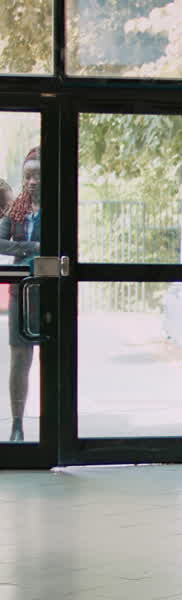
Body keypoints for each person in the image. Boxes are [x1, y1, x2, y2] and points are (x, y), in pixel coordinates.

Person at [0, 148, 41, 442]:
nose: (32, 181)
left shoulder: (61, 206)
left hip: (51, 289)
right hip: (21, 290)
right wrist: (31, 248)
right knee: (19, 357)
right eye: (27, 175)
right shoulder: (16, 209)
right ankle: (17, 424)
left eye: (38, 175)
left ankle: (56, 424)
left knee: (53, 355)